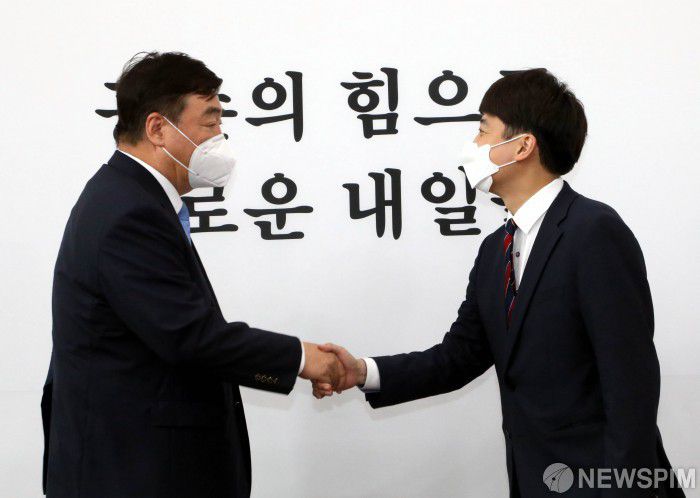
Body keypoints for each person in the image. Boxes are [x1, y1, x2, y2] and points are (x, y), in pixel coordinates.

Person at [313, 69, 684, 497]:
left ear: (523, 146)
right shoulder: (495, 250)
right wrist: (362, 371)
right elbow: (459, 357)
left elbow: (631, 382)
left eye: (482, 130)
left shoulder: (594, 231)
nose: (472, 146)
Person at [41, 51, 343, 498]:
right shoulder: (129, 212)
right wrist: (301, 359)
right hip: (133, 474)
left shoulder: (125, 197)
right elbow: (189, 337)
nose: (220, 136)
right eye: (210, 121)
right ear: (158, 128)